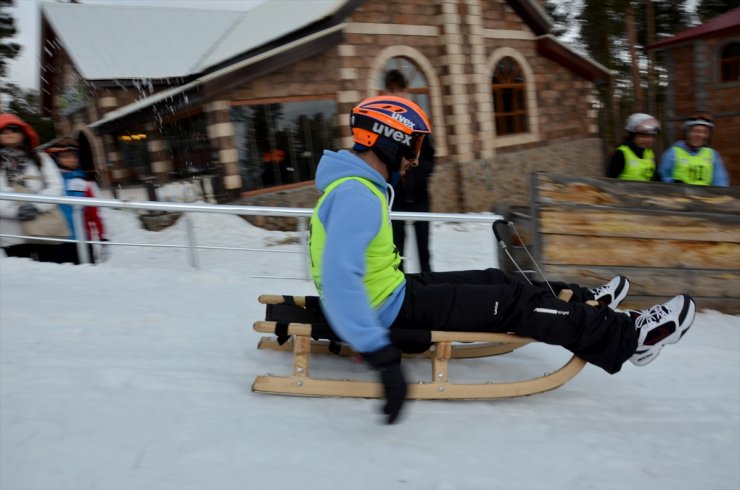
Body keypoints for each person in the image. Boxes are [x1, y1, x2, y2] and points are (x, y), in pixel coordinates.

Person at [308, 95, 697, 424]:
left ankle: (578, 301)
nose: (415, 159)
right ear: (390, 140)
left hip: (390, 295)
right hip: (386, 311)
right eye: (414, 146)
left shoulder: (356, 188)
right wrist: (380, 357)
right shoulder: (357, 195)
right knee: (511, 304)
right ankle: (630, 337)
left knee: (496, 279)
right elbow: (340, 278)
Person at [383, 69, 434, 272]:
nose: (397, 95)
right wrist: (395, 179)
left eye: (400, 90)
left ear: (406, 92)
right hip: (397, 199)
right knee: (398, 252)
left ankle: (429, 290)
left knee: (425, 252)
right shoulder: (384, 123)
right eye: (392, 90)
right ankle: (401, 292)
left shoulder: (418, 120)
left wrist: (422, 174)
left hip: (421, 197)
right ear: (386, 93)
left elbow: (430, 155)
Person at [0, 113, 67, 262]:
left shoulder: (40, 158)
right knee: (24, 276)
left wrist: (36, 206)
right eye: (3, 131)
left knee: (53, 272)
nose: (9, 134)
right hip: (12, 233)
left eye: (13, 129)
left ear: (23, 133)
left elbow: (56, 186)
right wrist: (16, 211)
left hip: (44, 229)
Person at [46, 137, 108, 264]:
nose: (72, 160)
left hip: (82, 239)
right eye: (66, 156)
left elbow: (93, 213)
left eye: (74, 156)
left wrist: (102, 236)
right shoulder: (51, 183)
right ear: (55, 158)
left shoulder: (84, 183)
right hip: (58, 239)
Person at [658, 113, 730, 186]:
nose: (699, 135)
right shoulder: (672, 153)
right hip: (678, 195)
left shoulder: (712, 154)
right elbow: (662, 177)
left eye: (704, 132)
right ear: (686, 133)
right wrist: (673, 182)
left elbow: (720, 182)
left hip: (705, 196)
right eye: (694, 131)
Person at [607, 113, 661, 181]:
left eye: (652, 136)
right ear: (632, 136)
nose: (650, 140)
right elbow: (610, 180)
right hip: (624, 191)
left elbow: (656, 177)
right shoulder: (621, 154)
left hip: (647, 191)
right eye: (644, 136)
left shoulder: (650, 152)